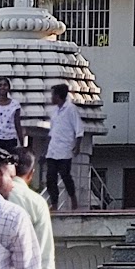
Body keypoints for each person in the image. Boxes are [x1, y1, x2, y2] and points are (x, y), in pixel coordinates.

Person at [45, 83, 85, 212]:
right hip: (53, 148)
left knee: (65, 175)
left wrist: (77, 146)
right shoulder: (54, 111)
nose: (51, 97)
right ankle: (54, 203)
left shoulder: (71, 109)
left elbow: (79, 129)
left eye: (53, 95)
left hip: (65, 148)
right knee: (50, 177)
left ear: (58, 96)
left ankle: (73, 197)